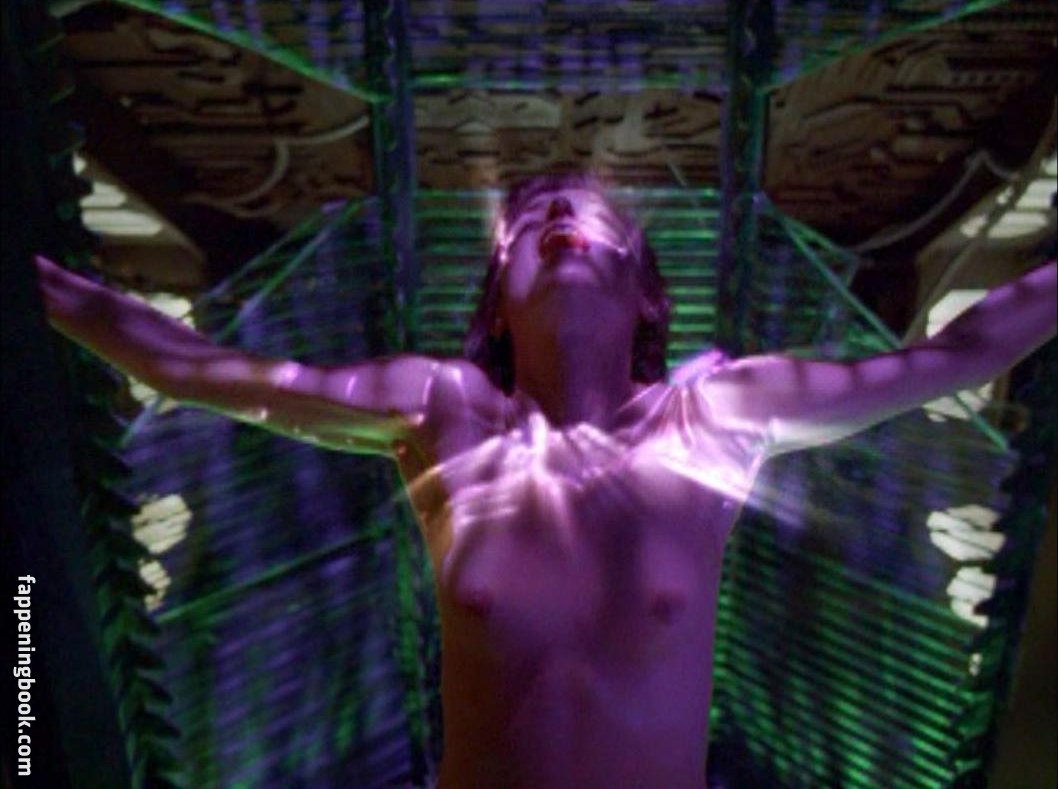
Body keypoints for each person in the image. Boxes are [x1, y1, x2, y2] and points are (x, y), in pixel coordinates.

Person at [34, 172, 1057, 788]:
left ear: (645, 292)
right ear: (496, 300)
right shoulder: (442, 413)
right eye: (526, 223)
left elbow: (949, 357)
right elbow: (211, 373)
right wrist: (34, 286)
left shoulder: (715, 414)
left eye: (593, 212)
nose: (559, 212)